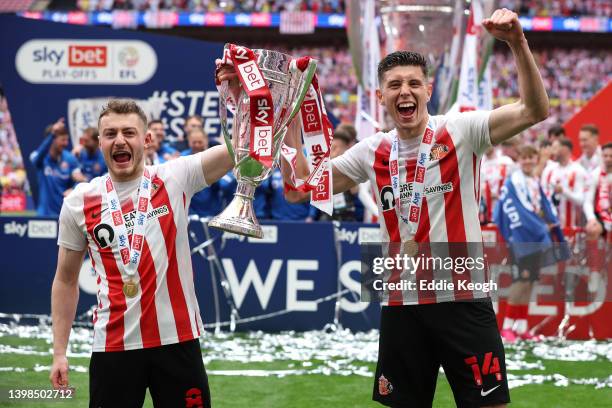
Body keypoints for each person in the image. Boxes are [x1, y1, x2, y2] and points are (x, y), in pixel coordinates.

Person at [288, 8, 549, 407]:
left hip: (463, 299)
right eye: (394, 85)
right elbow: (300, 189)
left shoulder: (461, 130)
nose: (404, 91)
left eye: (413, 83)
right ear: (381, 96)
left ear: (428, 90)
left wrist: (517, 42)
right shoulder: (372, 150)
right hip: (402, 305)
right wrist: (289, 119)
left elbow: (534, 110)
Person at [49, 99, 234, 407]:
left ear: (146, 139)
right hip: (113, 347)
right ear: (100, 141)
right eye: (110, 134)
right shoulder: (79, 202)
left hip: (178, 341)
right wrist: (59, 352)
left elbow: (238, 151)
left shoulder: (176, 176)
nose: (119, 140)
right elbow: (65, 280)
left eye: (128, 132)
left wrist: (240, 95)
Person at [494, 146, 564, 342]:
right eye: (524, 158)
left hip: (535, 238)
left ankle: (521, 326)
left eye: (530, 158)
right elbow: (507, 211)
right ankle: (507, 327)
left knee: (531, 281)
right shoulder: (513, 183)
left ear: (535, 159)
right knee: (520, 282)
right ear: (519, 160)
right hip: (521, 238)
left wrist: (546, 220)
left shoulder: (533, 181)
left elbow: (541, 207)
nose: (527, 161)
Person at [29, 118, 86, 216]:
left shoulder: (70, 159)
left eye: (67, 140)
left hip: (64, 215)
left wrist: (73, 188)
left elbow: (81, 180)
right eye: (63, 140)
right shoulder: (41, 158)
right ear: (52, 140)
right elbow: (36, 160)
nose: (66, 143)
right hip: (44, 216)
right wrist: (52, 134)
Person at [541, 138, 588, 229]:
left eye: (555, 148)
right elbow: (542, 196)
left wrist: (563, 191)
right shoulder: (548, 170)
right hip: (551, 227)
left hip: (573, 228)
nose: (552, 151)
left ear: (565, 150)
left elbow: (581, 200)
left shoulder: (578, 170)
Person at [181, 128, 226, 217]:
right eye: (194, 142)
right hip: (190, 214)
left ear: (206, 141)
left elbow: (225, 184)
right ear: (189, 142)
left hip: (213, 213)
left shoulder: (216, 156)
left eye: (200, 142)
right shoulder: (183, 159)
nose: (197, 145)